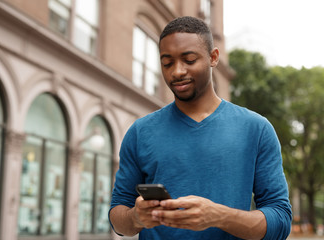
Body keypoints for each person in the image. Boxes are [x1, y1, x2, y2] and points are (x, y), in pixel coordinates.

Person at [109, 16, 292, 240]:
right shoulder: (140, 132)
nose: (177, 71)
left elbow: (280, 221)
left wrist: (219, 216)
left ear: (213, 57)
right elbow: (118, 216)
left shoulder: (256, 129)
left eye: (189, 60)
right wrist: (136, 218)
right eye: (167, 63)